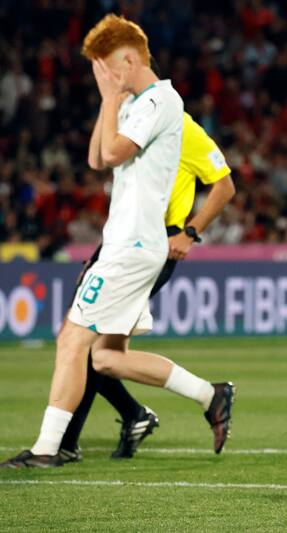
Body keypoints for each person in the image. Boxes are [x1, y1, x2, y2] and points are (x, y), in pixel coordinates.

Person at [1, 15, 233, 468]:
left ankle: (50, 449)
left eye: (105, 68)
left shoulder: (161, 101)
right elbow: (95, 157)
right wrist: (110, 101)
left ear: (128, 61)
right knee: (105, 358)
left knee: (72, 339)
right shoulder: (136, 103)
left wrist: (112, 98)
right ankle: (211, 394)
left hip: (133, 246)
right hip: (129, 244)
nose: (102, 79)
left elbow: (111, 154)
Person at [58, 110, 236, 462]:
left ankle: (67, 442)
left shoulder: (182, 127)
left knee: (86, 342)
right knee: (100, 353)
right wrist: (101, 253)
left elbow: (225, 186)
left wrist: (190, 231)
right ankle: (142, 413)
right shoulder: (137, 125)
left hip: (154, 245)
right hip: (125, 244)